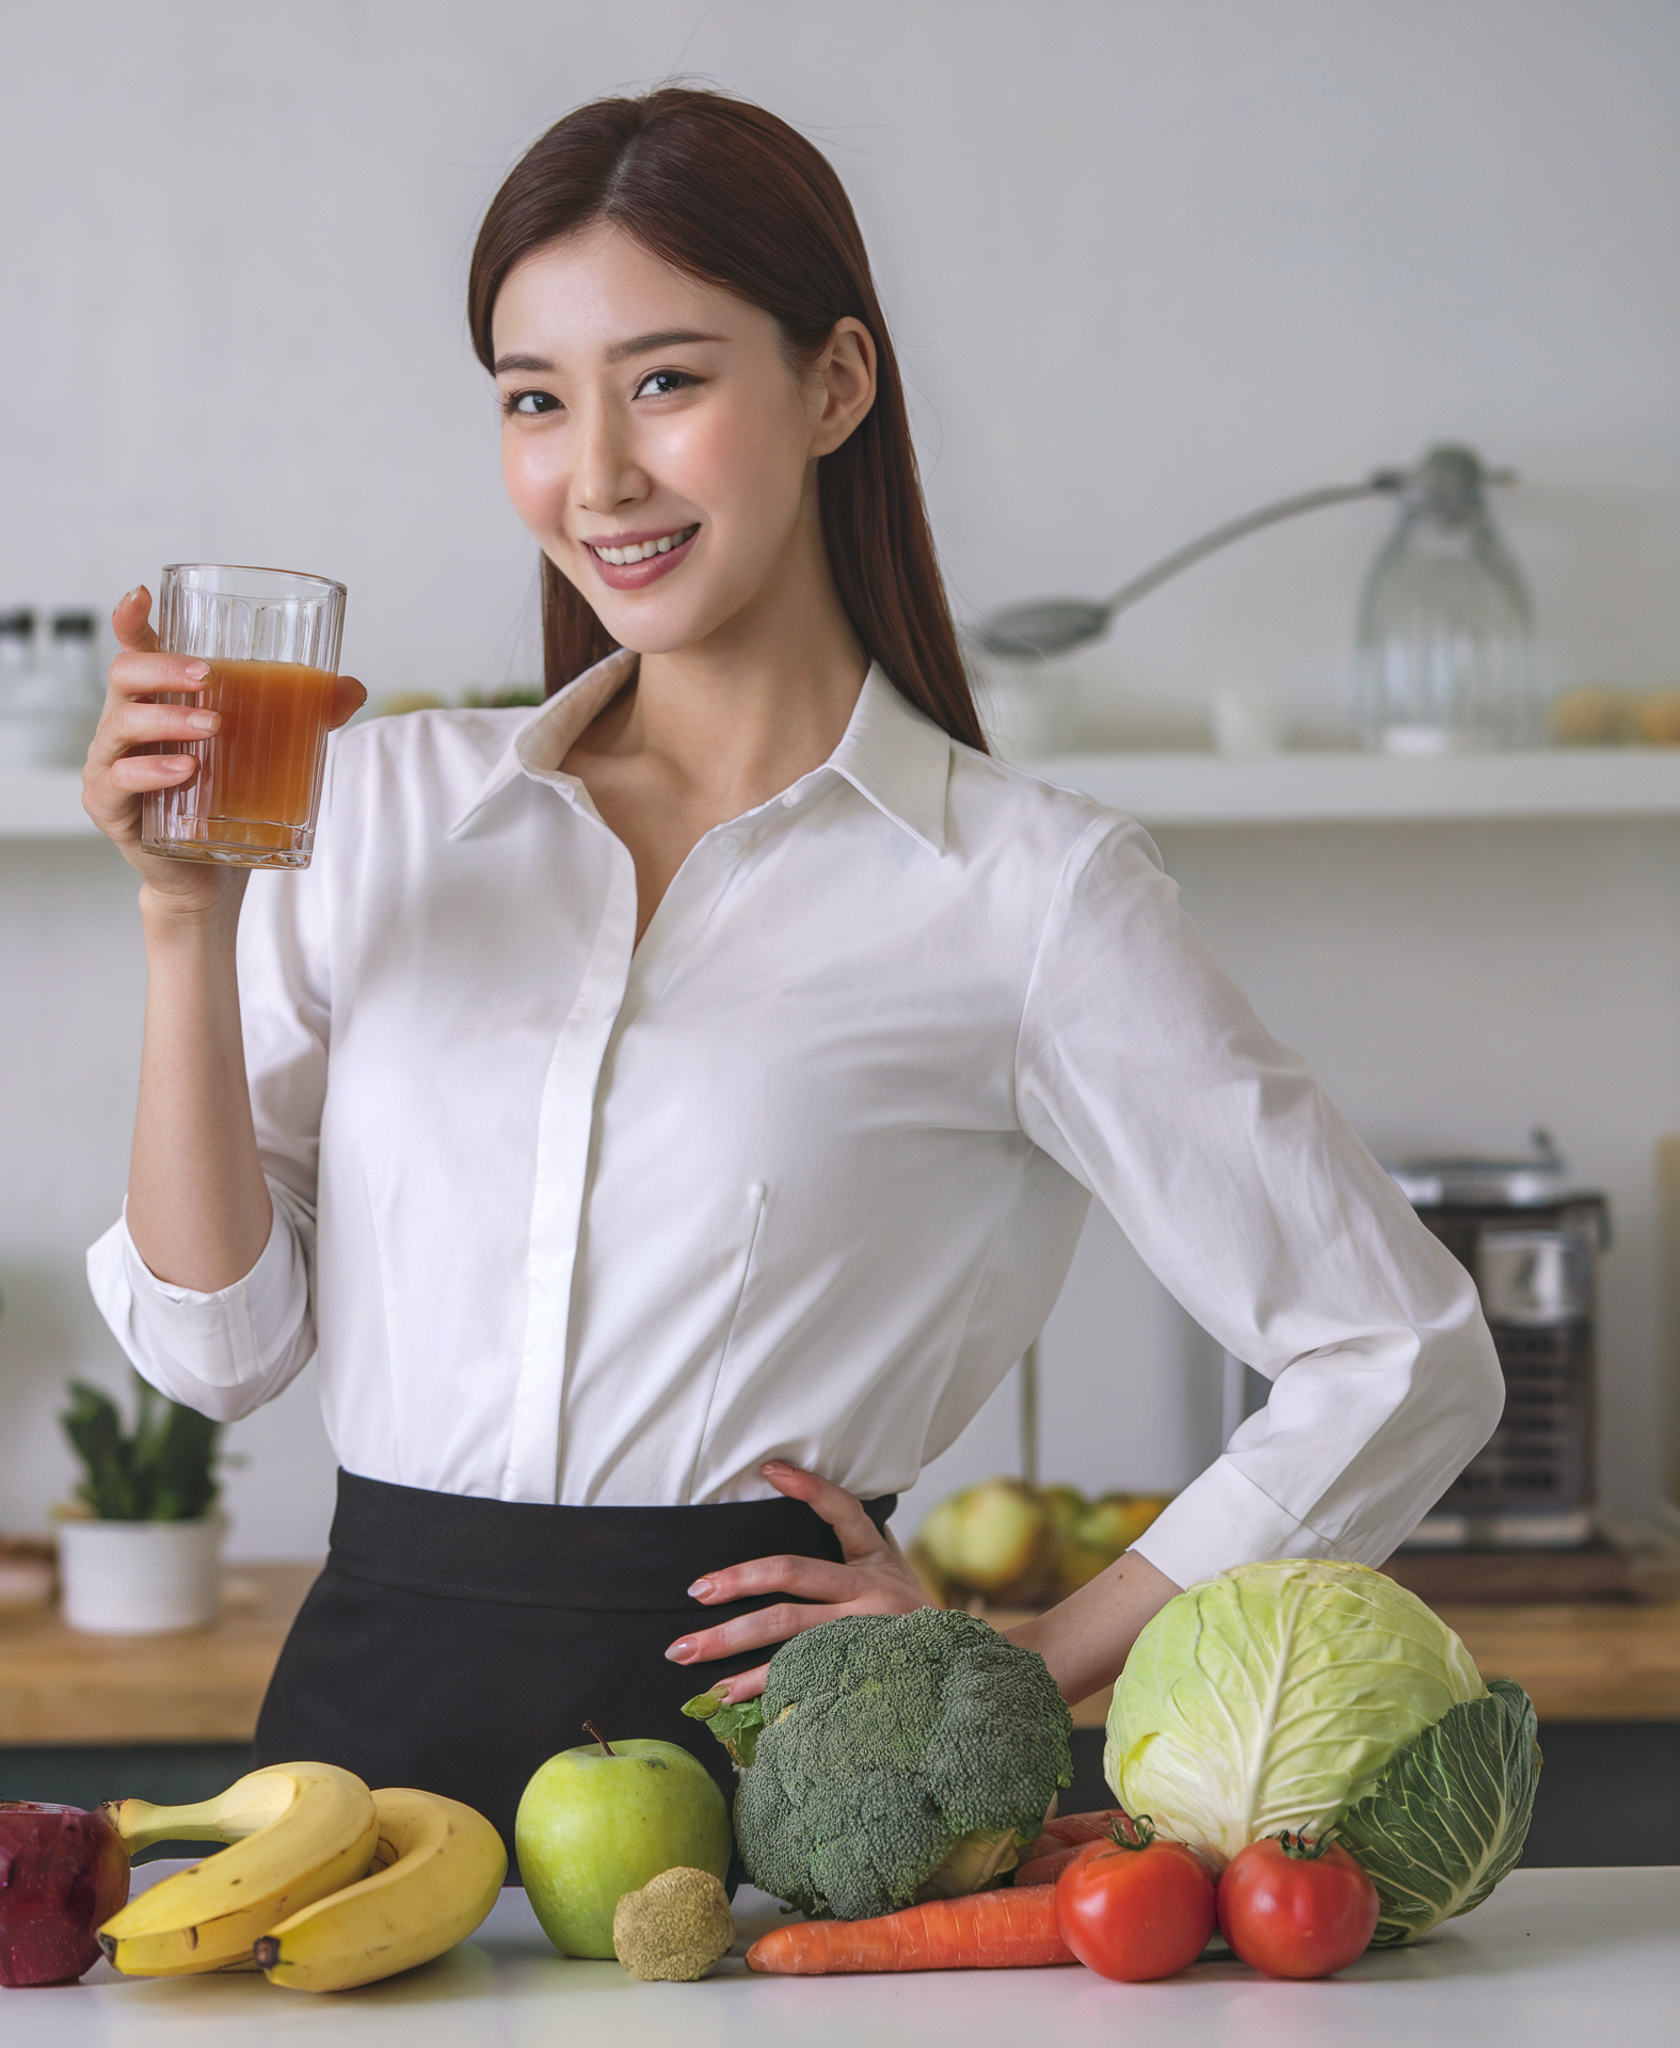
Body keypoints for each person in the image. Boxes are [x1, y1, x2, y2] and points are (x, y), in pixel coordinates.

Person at [82, 89, 1501, 1855]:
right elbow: (217, 1351)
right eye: (536, 400)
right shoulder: (376, 807)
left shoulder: (1029, 893)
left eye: (665, 382)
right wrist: (179, 919)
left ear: (836, 384)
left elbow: (1405, 1349)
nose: (593, 474)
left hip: (772, 1818)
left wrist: (1041, 1654)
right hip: (343, 1790)